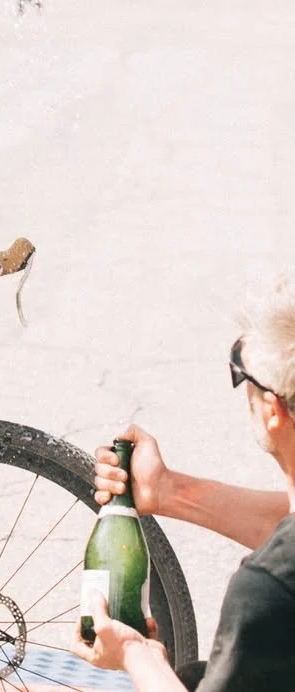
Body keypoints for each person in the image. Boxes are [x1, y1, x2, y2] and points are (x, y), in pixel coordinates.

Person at [73, 277, 295, 690]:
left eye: (241, 370)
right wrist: (168, 489)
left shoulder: (266, 593)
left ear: (272, 409)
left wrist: (135, 654)